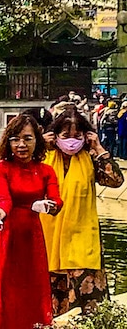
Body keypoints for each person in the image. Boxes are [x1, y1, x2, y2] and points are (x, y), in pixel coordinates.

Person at [40, 107, 123, 316]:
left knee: (88, 308)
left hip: (83, 238)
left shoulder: (90, 160)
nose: (71, 141)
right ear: (55, 135)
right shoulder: (43, 159)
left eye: (77, 136)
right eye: (66, 136)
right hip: (50, 239)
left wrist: (98, 147)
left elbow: (116, 181)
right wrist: (40, 144)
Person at [0, 113, 62, 329]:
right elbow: (4, 200)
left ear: (37, 141)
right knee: (7, 287)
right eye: (15, 139)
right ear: (8, 142)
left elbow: (57, 201)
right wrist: (0, 213)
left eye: (27, 139)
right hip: (8, 232)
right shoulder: (2, 168)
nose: (21, 145)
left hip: (33, 234)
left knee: (33, 286)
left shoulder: (46, 170)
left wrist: (50, 206)